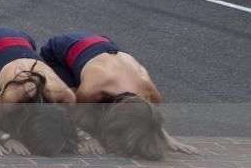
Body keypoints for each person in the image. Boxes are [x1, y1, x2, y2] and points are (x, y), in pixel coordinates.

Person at [39, 33, 198, 159]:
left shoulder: (150, 93)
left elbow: (151, 119)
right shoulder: (93, 89)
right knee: (72, 98)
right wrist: (87, 137)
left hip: (102, 44)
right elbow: (72, 113)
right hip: (61, 50)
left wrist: (164, 137)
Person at [0, 26, 80, 156]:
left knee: (1, 99)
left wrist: (82, 138)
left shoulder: (66, 95)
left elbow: (71, 122)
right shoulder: (14, 95)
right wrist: (4, 138)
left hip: (22, 39)